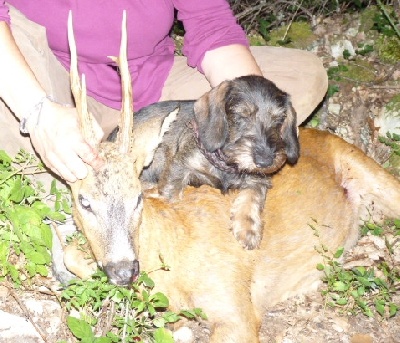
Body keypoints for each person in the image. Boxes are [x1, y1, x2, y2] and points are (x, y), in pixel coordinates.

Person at [0, 1, 328, 184]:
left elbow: (211, 24)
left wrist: (252, 119)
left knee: (301, 76)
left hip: (150, 80)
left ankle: (161, 161)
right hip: (54, 83)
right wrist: (38, 113)